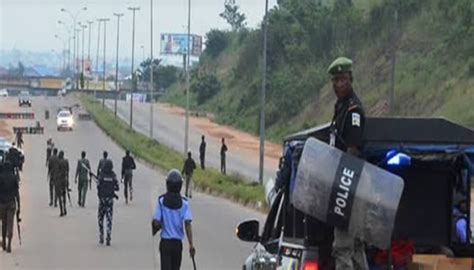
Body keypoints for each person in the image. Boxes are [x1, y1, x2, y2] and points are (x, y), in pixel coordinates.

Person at [327, 57, 368, 270]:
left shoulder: (353, 111)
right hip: (348, 183)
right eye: (335, 80)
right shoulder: (341, 107)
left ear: (350, 79)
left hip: (349, 184)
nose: (338, 84)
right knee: (356, 247)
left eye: (342, 79)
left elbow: (352, 152)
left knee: (343, 247)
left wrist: (343, 192)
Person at [152, 169, 195, 270]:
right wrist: (191, 245)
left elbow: (156, 222)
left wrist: (158, 225)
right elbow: (187, 224)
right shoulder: (184, 204)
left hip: (165, 244)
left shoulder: (161, 201)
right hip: (177, 245)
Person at [97, 159, 119, 246]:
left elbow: (98, 186)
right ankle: (108, 237)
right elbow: (117, 187)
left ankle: (101, 236)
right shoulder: (113, 176)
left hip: (102, 201)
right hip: (110, 201)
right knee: (109, 219)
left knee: (100, 219)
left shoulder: (101, 175)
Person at [0, 161, 21, 253]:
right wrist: (19, 206)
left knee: (4, 224)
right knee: (10, 224)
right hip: (12, 204)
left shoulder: (0, 178)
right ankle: (9, 244)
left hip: (2, 204)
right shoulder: (14, 178)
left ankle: (4, 241)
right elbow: (17, 193)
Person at [56, 150, 69, 217]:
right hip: (65, 180)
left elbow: (57, 172)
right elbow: (67, 172)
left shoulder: (59, 162)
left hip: (59, 180)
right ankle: (65, 208)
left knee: (59, 196)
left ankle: (61, 211)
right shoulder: (66, 161)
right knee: (64, 195)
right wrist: (68, 182)